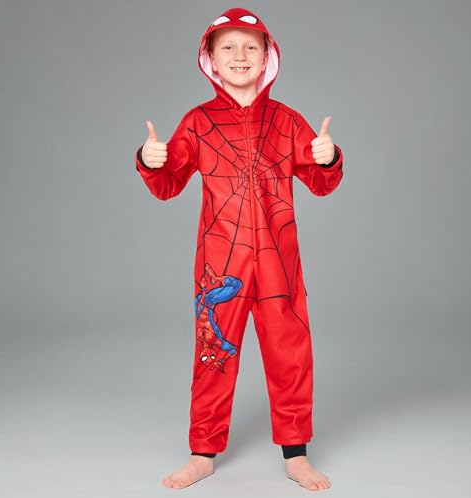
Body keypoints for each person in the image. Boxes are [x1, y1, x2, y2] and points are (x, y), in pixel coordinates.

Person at [135, 6, 343, 491]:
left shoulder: (287, 121)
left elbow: (321, 183)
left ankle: (296, 455)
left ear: (268, 56)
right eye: (227, 47)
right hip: (220, 265)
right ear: (210, 58)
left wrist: (328, 156)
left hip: (279, 264)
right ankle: (202, 453)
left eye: (251, 46)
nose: (240, 55)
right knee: (213, 353)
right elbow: (167, 186)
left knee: (290, 354)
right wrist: (149, 160)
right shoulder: (198, 121)